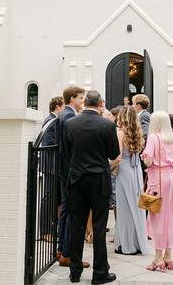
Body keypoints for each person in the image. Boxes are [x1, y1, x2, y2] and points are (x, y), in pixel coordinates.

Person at [64, 90, 120, 284]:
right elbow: (114, 154)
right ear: (100, 104)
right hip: (99, 181)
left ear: (86, 102)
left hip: (77, 179)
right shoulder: (106, 125)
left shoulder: (71, 124)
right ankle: (100, 273)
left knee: (77, 225)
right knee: (98, 226)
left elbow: (67, 152)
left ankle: (75, 272)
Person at [141, 111, 173, 272]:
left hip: (157, 177)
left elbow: (148, 162)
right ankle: (168, 255)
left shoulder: (153, 138)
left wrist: (144, 157)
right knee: (169, 215)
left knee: (157, 216)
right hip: (170, 176)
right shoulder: (171, 138)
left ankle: (158, 258)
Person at [57, 86, 87, 268]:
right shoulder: (69, 116)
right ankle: (67, 254)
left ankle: (61, 249)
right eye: (80, 97)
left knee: (66, 209)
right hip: (70, 170)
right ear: (71, 99)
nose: (82, 101)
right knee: (72, 212)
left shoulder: (64, 114)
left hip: (64, 169)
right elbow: (72, 146)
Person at [113, 106, 149, 255]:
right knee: (137, 206)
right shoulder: (138, 133)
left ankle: (126, 245)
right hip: (136, 171)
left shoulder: (121, 133)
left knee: (125, 208)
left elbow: (118, 157)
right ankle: (137, 242)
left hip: (125, 170)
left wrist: (108, 167)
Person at [40, 96, 64, 240]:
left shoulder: (54, 120)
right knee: (48, 199)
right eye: (63, 106)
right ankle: (45, 232)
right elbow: (49, 143)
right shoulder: (51, 121)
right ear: (57, 106)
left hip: (54, 165)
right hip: (50, 165)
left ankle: (52, 229)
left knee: (54, 199)